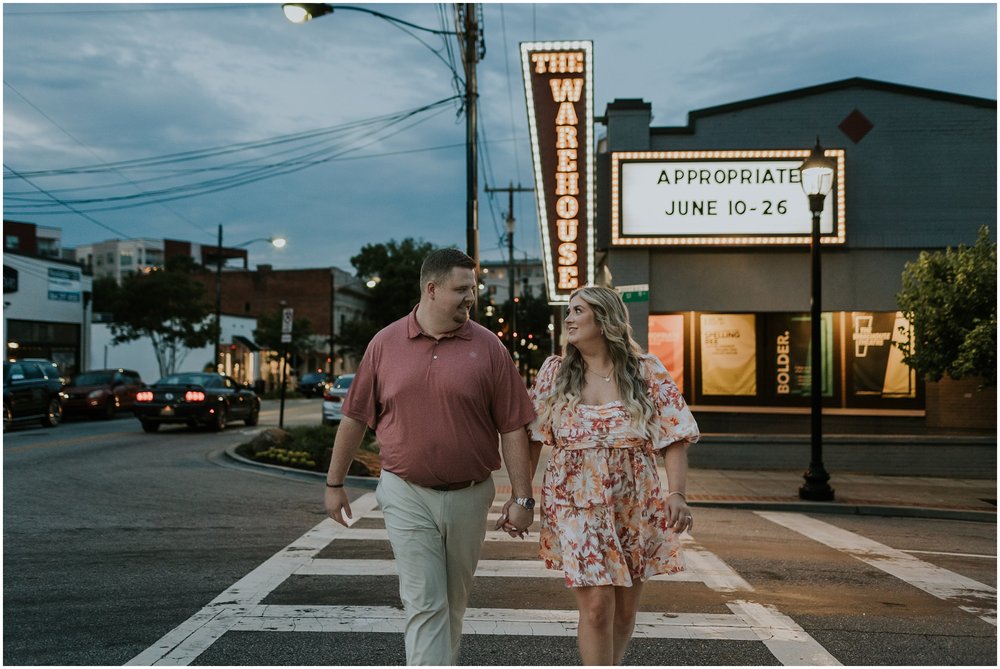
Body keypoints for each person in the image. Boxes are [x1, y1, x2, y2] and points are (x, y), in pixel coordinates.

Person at [324, 248, 537, 666]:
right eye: (461, 289)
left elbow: (513, 425)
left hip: (470, 494)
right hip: (405, 491)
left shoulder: (489, 347)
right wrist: (335, 484)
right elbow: (354, 418)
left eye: (472, 289)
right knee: (425, 601)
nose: (470, 298)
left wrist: (523, 499)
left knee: (451, 604)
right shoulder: (385, 344)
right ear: (431, 288)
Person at [507, 285, 699, 665]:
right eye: (569, 312)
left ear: (604, 318)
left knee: (625, 612)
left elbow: (674, 436)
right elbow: (532, 440)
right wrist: (521, 498)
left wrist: (676, 493)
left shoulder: (646, 371)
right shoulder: (554, 373)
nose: (569, 318)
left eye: (578, 310)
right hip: (573, 500)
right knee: (597, 605)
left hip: (634, 504)